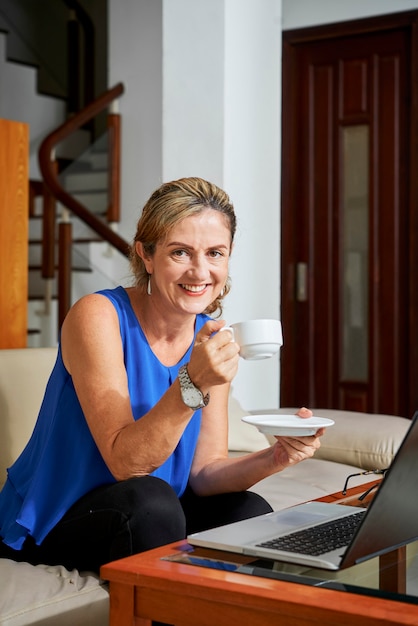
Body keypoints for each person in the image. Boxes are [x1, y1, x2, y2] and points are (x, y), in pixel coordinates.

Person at [0, 177, 323, 575]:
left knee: (248, 511)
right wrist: (194, 380)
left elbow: (205, 473)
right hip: (55, 522)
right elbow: (125, 465)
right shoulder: (98, 316)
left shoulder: (210, 337)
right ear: (146, 255)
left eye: (215, 253)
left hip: (150, 512)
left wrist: (276, 456)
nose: (200, 271)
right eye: (180, 252)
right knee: (152, 501)